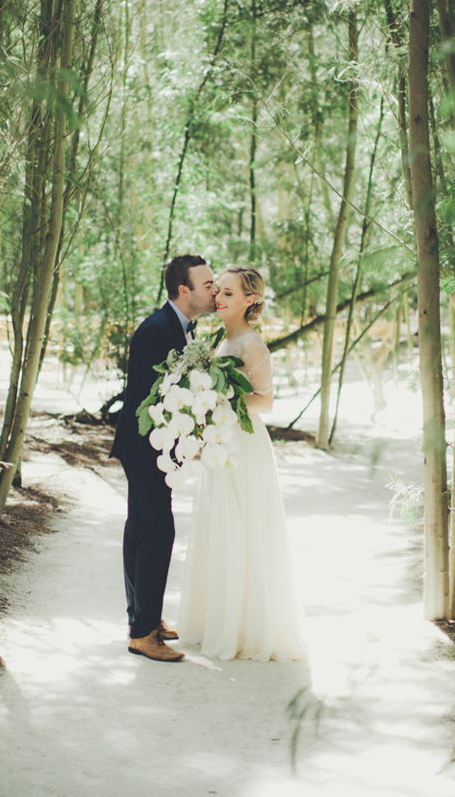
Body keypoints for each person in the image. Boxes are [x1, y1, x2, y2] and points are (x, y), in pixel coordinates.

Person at [178, 266, 307, 662]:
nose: (219, 299)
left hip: (245, 446)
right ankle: (220, 621)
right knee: (222, 527)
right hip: (222, 443)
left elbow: (265, 402)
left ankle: (249, 629)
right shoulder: (222, 341)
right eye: (219, 292)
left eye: (229, 294)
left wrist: (219, 399)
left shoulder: (252, 344)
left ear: (250, 300)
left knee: (244, 526)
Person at [111, 254, 216, 662]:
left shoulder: (181, 328)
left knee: (140, 532)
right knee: (158, 535)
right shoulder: (157, 331)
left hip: (150, 447)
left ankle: (144, 619)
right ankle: (142, 634)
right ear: (183, 290)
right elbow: (150, 400)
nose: (213, 290)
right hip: (146, 447)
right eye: (206, 284)